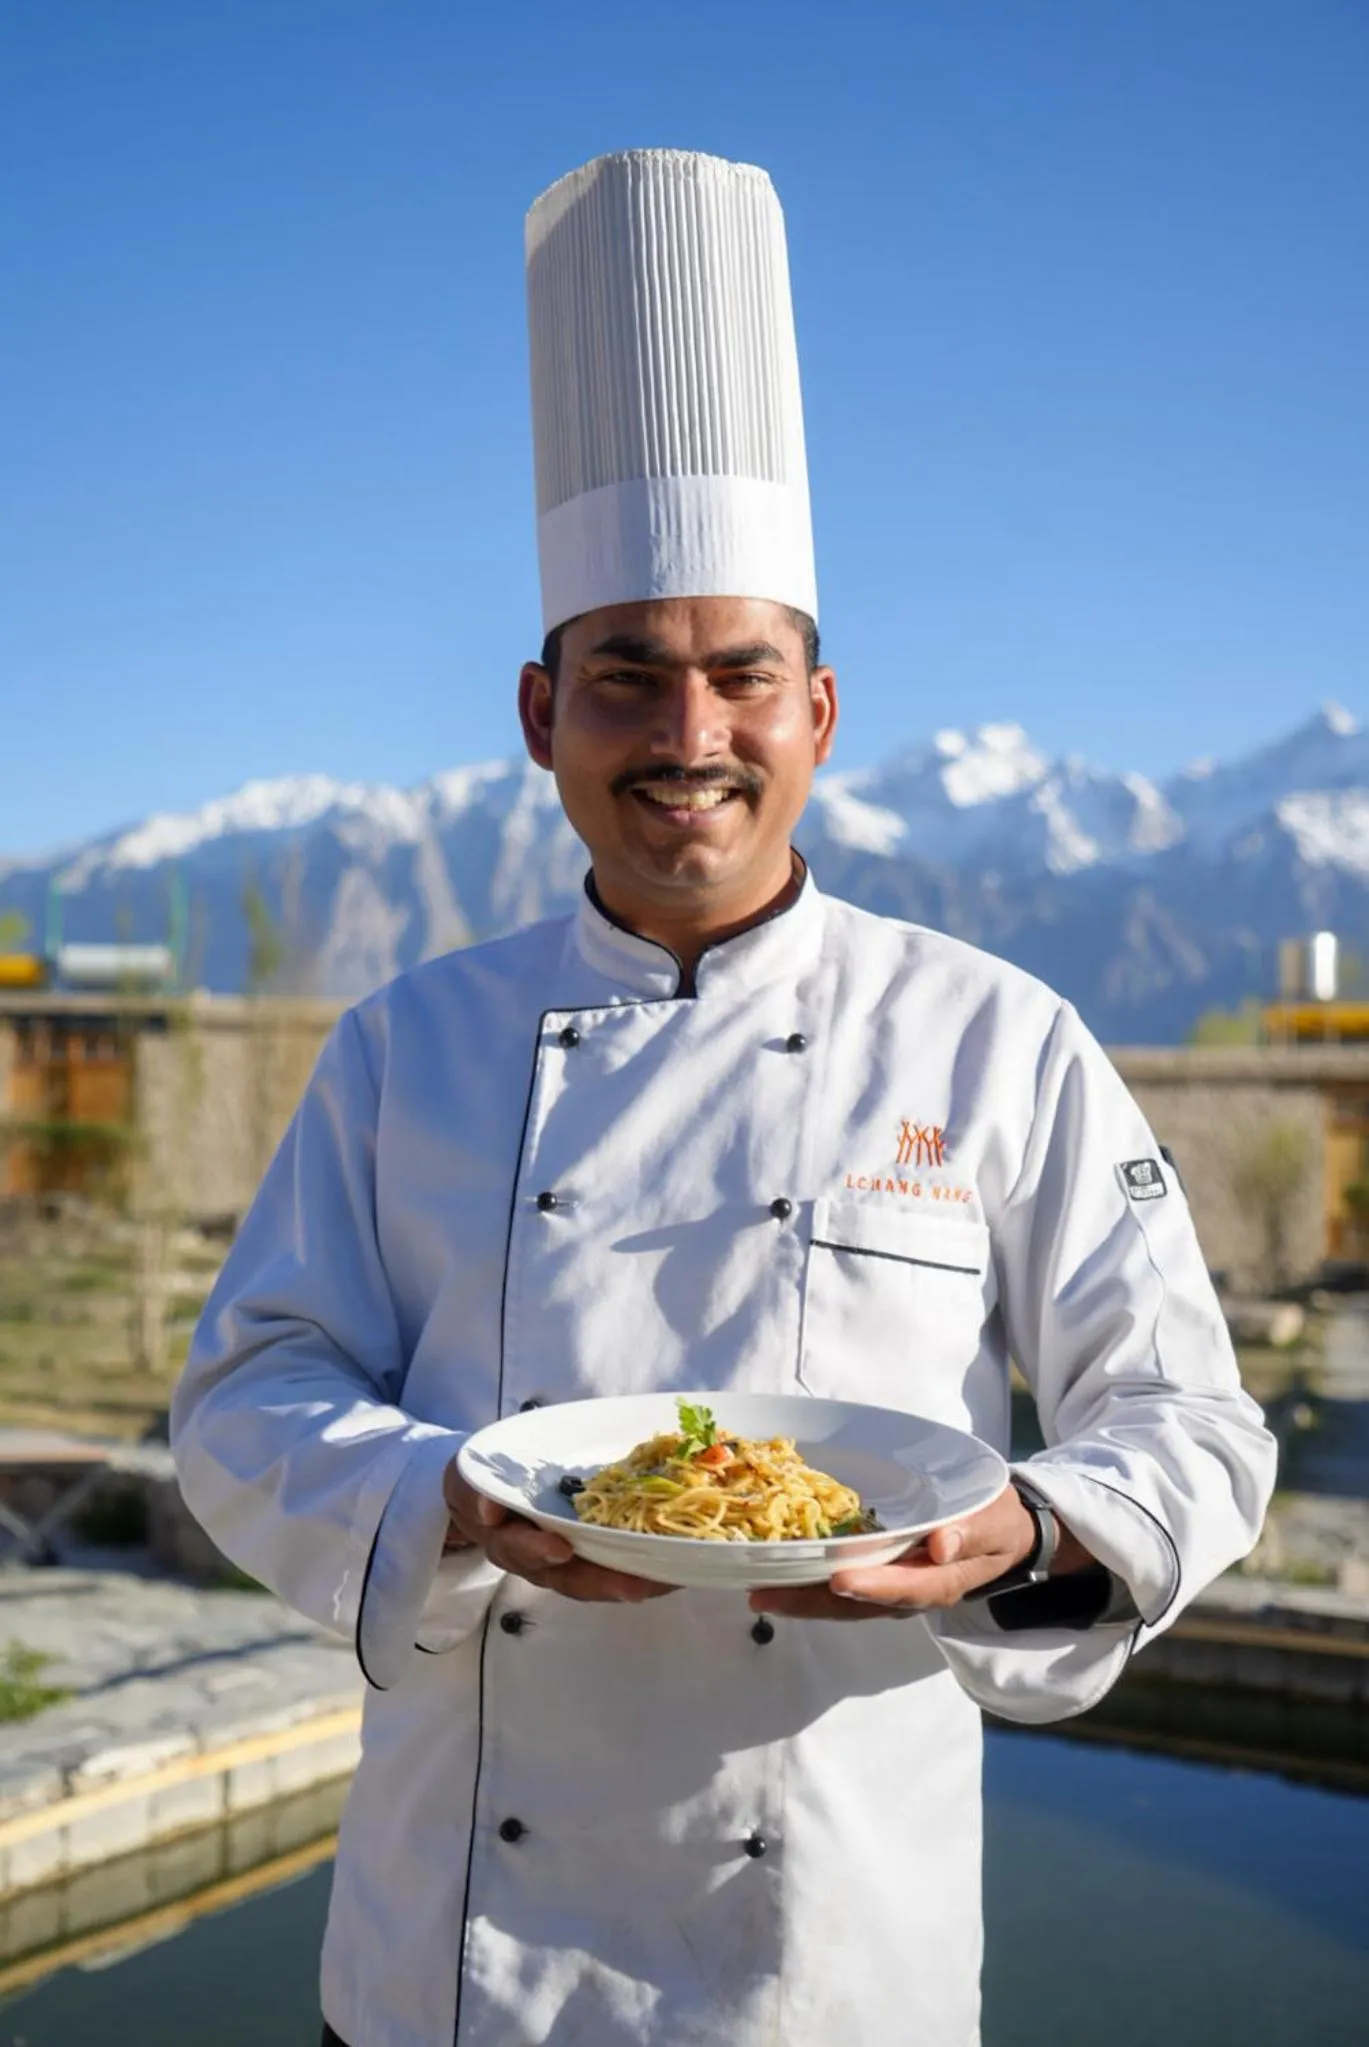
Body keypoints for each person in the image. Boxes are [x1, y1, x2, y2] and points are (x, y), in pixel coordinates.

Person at [172, 150, 1277, 2047]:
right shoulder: (405, 1045)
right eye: (628, 678)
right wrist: (441, 1494)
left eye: (741, 678)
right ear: (541, 717)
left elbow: (1189, 1420)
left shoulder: (997, 1035)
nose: (689, 736)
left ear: (820, 715)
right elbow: (246, 1395)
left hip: (836, 1959)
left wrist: (1025, 1526)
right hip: (455, 1960)